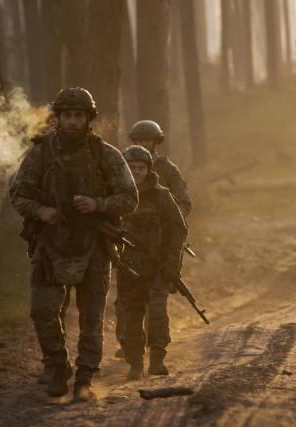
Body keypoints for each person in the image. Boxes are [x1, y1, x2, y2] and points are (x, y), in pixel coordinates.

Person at [10, 87, 138, 401]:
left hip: (94, 245)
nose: (71, 121)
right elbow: (18, 194)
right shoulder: (40, 154)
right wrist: (42, 211)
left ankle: (84, 378)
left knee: (91, 317)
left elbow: (130, 198)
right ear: (57, 118)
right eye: (66, 115)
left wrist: (99, 203)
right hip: (50, 245)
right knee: (42, 311)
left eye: (78, 115)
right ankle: (57, 367)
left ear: (88, 118)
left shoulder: (106, 155)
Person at [115, 120, 192, 358]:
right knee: (127, 301)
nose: (144, 144)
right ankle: (128, 344)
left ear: (156, 142)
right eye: (139, 140)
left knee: (157, 298)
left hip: (162, 240)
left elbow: (183, 203)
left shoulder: (168, 171)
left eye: (148, 140)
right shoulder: (126, 167)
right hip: (131, 246)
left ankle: (156, 348)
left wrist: (164, 218)